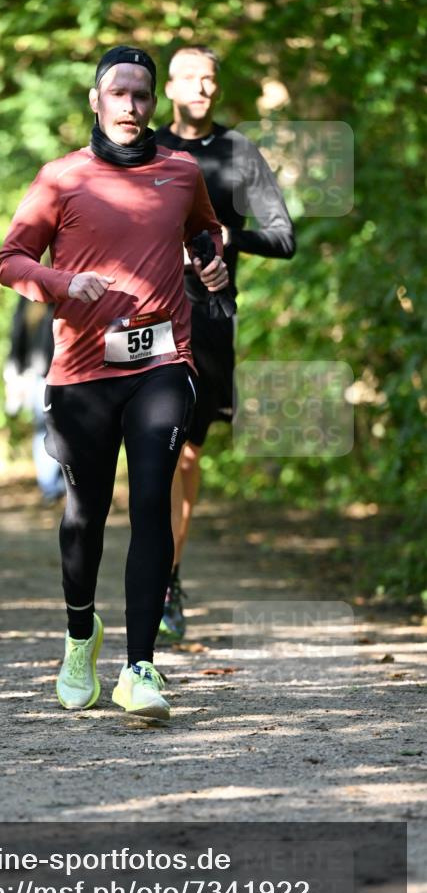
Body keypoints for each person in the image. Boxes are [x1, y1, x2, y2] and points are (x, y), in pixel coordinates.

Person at [0, 46, 228, 720]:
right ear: (95, 101)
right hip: (82, 372)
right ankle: (78, 636)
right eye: (118, 93)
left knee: (152, 498)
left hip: (164, 360)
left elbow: (205, 230)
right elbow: (9, 261)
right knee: (84, 513)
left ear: (154, 104)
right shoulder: (61, 178)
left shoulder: (181, 171)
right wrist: (63, 283)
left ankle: (141, 668)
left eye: (142, 94)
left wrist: (209, 262)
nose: (131, 105)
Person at [154, 45, 296, 642]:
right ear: (170, 89)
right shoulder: (148, 149)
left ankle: (167, 578)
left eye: (212, 79)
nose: (203, 89)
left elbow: (284, 237)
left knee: (185, 455)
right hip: (147, 312)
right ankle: (155, 572)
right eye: (191, 78)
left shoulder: (238, 152)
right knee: (153, 450)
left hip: (209, 315)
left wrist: (226, 236)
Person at [4, 295, 66, 504]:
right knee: (45, 429)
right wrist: (15, 374)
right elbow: (17, 332)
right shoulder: (29, 294)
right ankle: (51, 488)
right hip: (40, 374)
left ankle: (64, 484)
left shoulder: (79, 282)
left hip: (74, 371)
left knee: (69, 429)